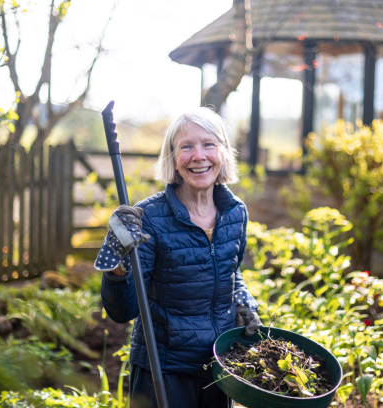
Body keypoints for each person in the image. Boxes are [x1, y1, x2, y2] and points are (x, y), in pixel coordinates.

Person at [94, 106, 262, 408]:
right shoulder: (149, 218)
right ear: (172, 157)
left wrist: (242, 298)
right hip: (164, 370)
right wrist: (118, 264)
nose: (199, 156)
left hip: (219, 366)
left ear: (222, 152)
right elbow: (124, 310)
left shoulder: (235, 212)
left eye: (208, 144)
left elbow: (230, 272)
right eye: (187, 146)